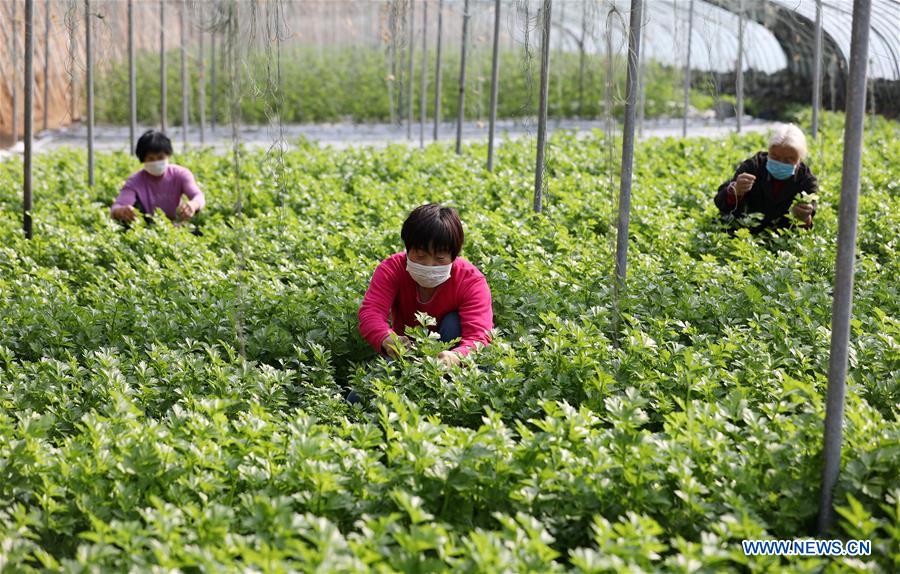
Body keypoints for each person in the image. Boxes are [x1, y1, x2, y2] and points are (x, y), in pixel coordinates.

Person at [358, 203, 493, 368]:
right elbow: (371, 312)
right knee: (358, 395)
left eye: (440, 258)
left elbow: (479, 337)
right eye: (420, 256)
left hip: (450, 361)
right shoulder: (392, 269)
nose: (429, 265)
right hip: (404, 354)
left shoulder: (471, 281)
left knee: (453, 322)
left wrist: (457, 357)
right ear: (407, 249)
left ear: (454, 255)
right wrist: (387, 338)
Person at [714, 123, 819, 234]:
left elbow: (807, 225)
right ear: (768, 152)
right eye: (775, 157)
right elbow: (720, 202)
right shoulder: (753, 166)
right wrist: (736, 190)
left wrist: (804, 217)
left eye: (788, 160)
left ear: (799, 160)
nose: (780, 163)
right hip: (744, 234)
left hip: (782, 240)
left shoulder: (806, 180)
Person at [110, 130, 205, 225]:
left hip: (177, 225)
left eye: (160, 157)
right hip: (149, 227)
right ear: (143, 160)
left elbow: (198, 196)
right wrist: (121, 211)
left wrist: (193, 205)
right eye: (151, 159)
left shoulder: (181, 174)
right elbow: (117, 206)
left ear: (168, 155)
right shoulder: (135, 181)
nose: (156, 162)